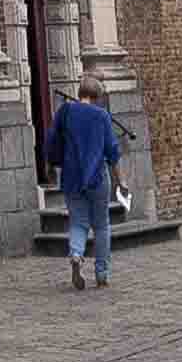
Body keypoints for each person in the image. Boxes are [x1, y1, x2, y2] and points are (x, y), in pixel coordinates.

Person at [50, 76, 128, 292]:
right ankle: (101, 273)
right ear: (97, 97)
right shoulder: (102, 116)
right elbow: (112, 151)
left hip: (71, 176)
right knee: (101, 225)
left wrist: (53, 165)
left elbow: (53, 141)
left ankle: (76, 254)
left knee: (78, 222)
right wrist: (121, 181)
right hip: (97, 177)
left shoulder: (65, 112)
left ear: (80, 93)